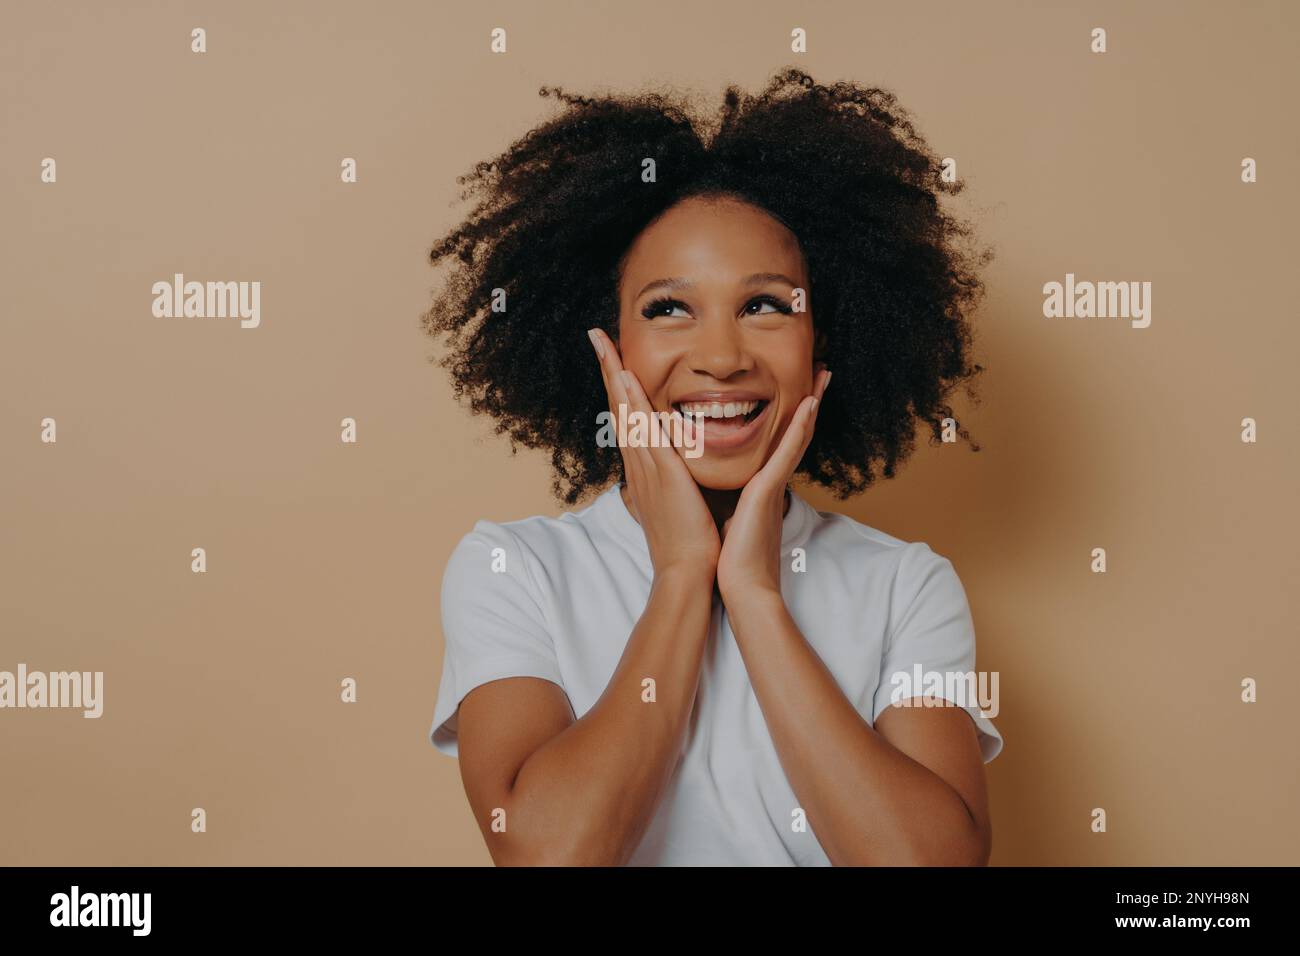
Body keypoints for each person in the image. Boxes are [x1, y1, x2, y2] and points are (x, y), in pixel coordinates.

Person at [423, 67, 1002, 865]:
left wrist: (756, 595)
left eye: (766, 305)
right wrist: (680, 574)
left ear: (822, 343)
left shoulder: (905, 584)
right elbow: (548, 856)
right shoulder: (512, 568)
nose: (723, 358)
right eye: (669, 309)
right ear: (606, 348)